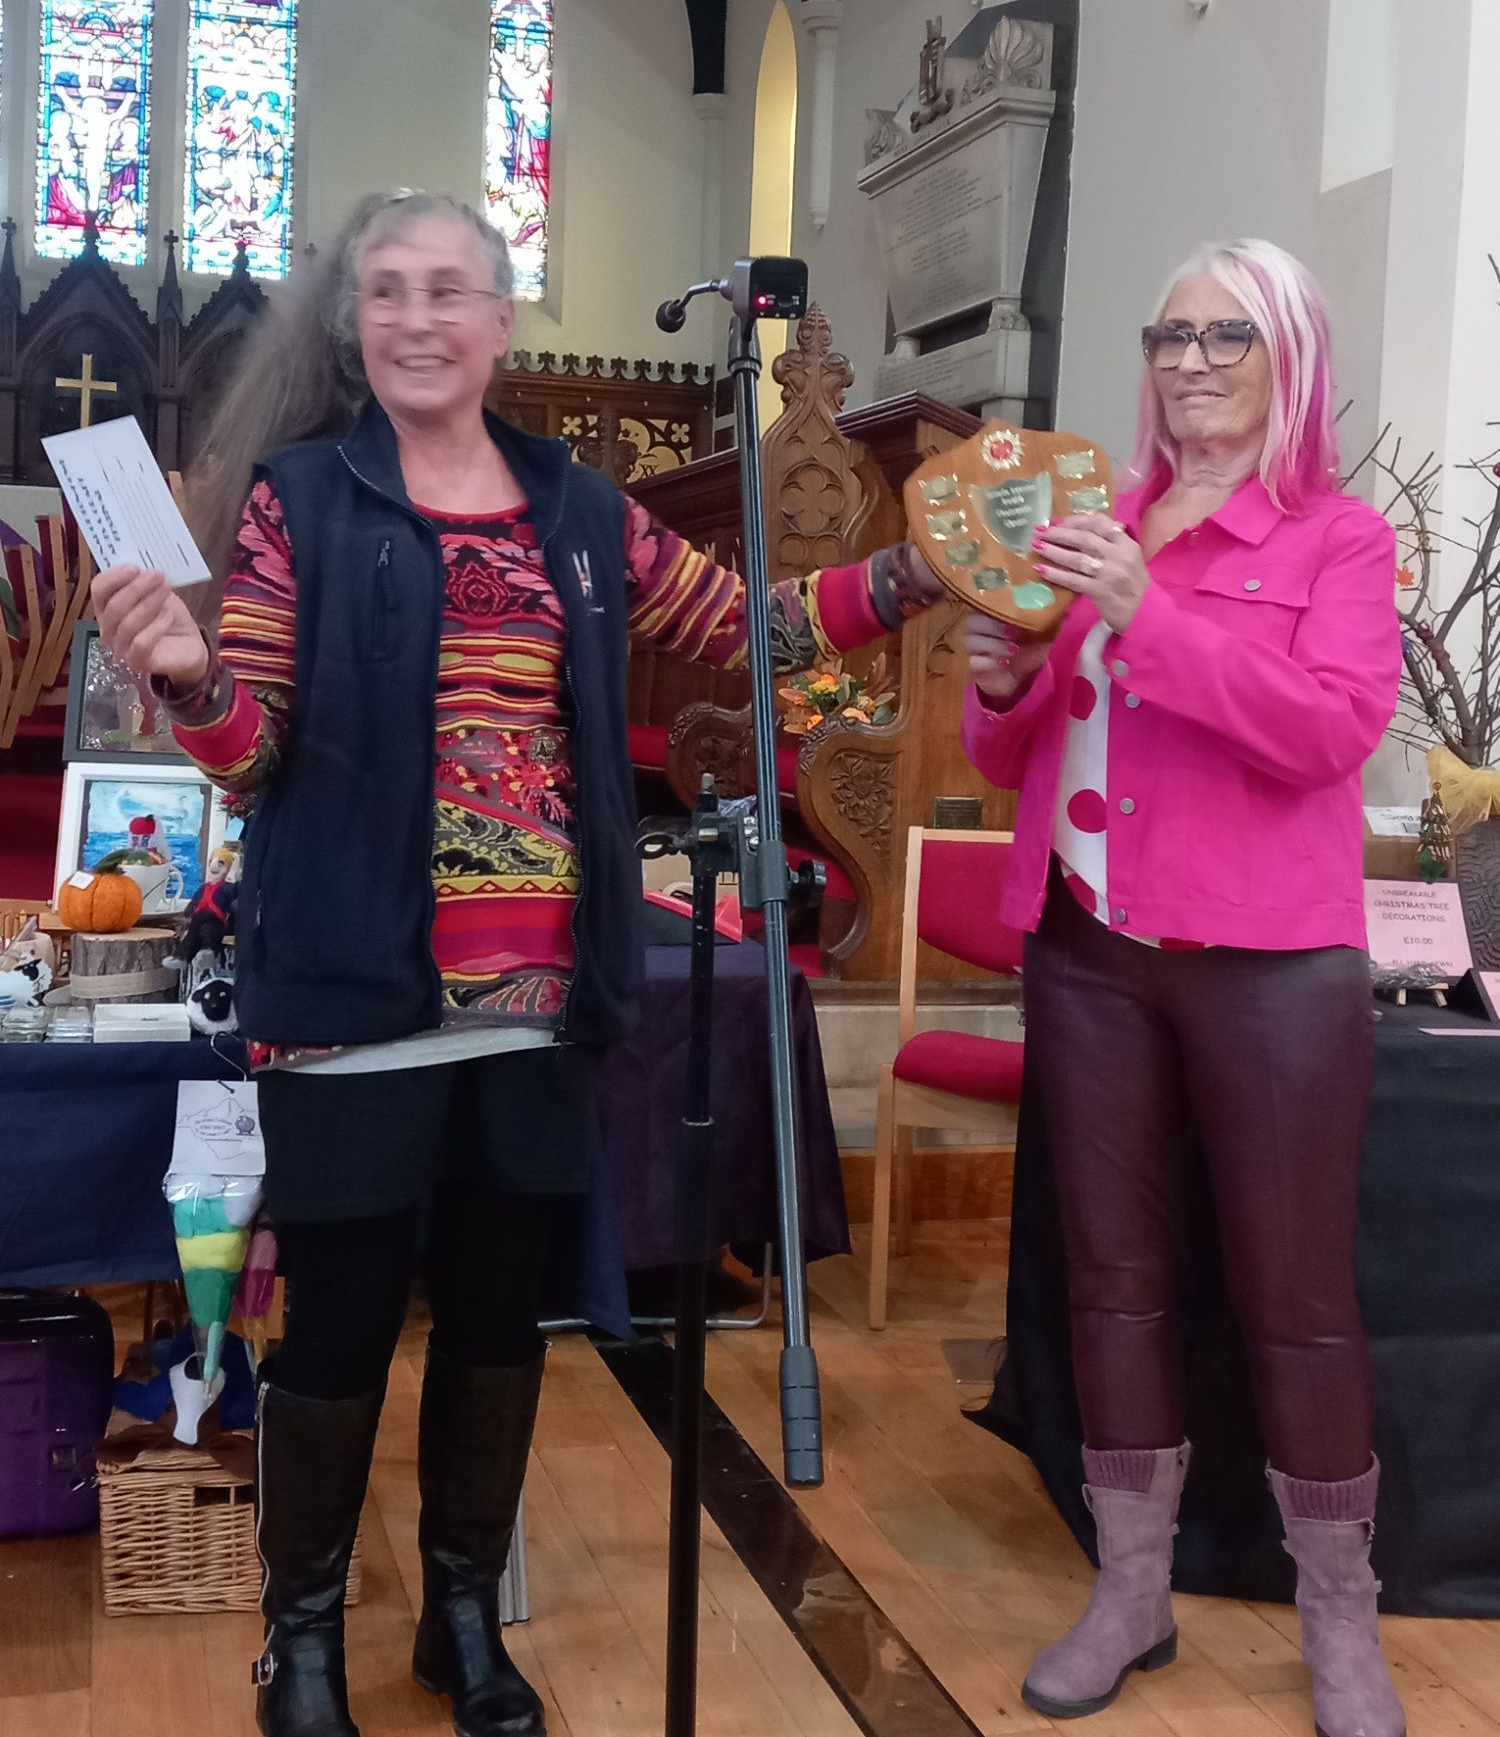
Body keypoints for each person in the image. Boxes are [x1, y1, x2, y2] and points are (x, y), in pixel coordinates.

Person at [93, 190, 943, 1737]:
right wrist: (191, 676)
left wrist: (923, 572)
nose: (418, 319)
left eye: (450, 291)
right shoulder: (301, 498)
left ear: (500, 321)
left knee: (497, 1326)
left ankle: (464, 1616)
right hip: (352, 1005)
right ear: (357, 325)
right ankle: (300, 1643)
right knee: (341, 1336)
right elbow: (251, 755)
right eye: (388, 293)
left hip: (542, 1007)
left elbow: (755, 632)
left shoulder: (579, 509)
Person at [961, 239, 1404, 1737]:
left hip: (1271, 966)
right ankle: (1130, 1588)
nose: (1194, 360)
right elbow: (1004, 755)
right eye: (1171, 334)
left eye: (1229, 335)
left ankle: (1342, 1622)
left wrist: (1148, 610)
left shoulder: (1336, 540)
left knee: (1297, 1304)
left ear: (1291, 358)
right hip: (1089, 951)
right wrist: (1006, 677)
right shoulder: (1095, 522)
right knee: (1116, 1286)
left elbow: (1325, 732)